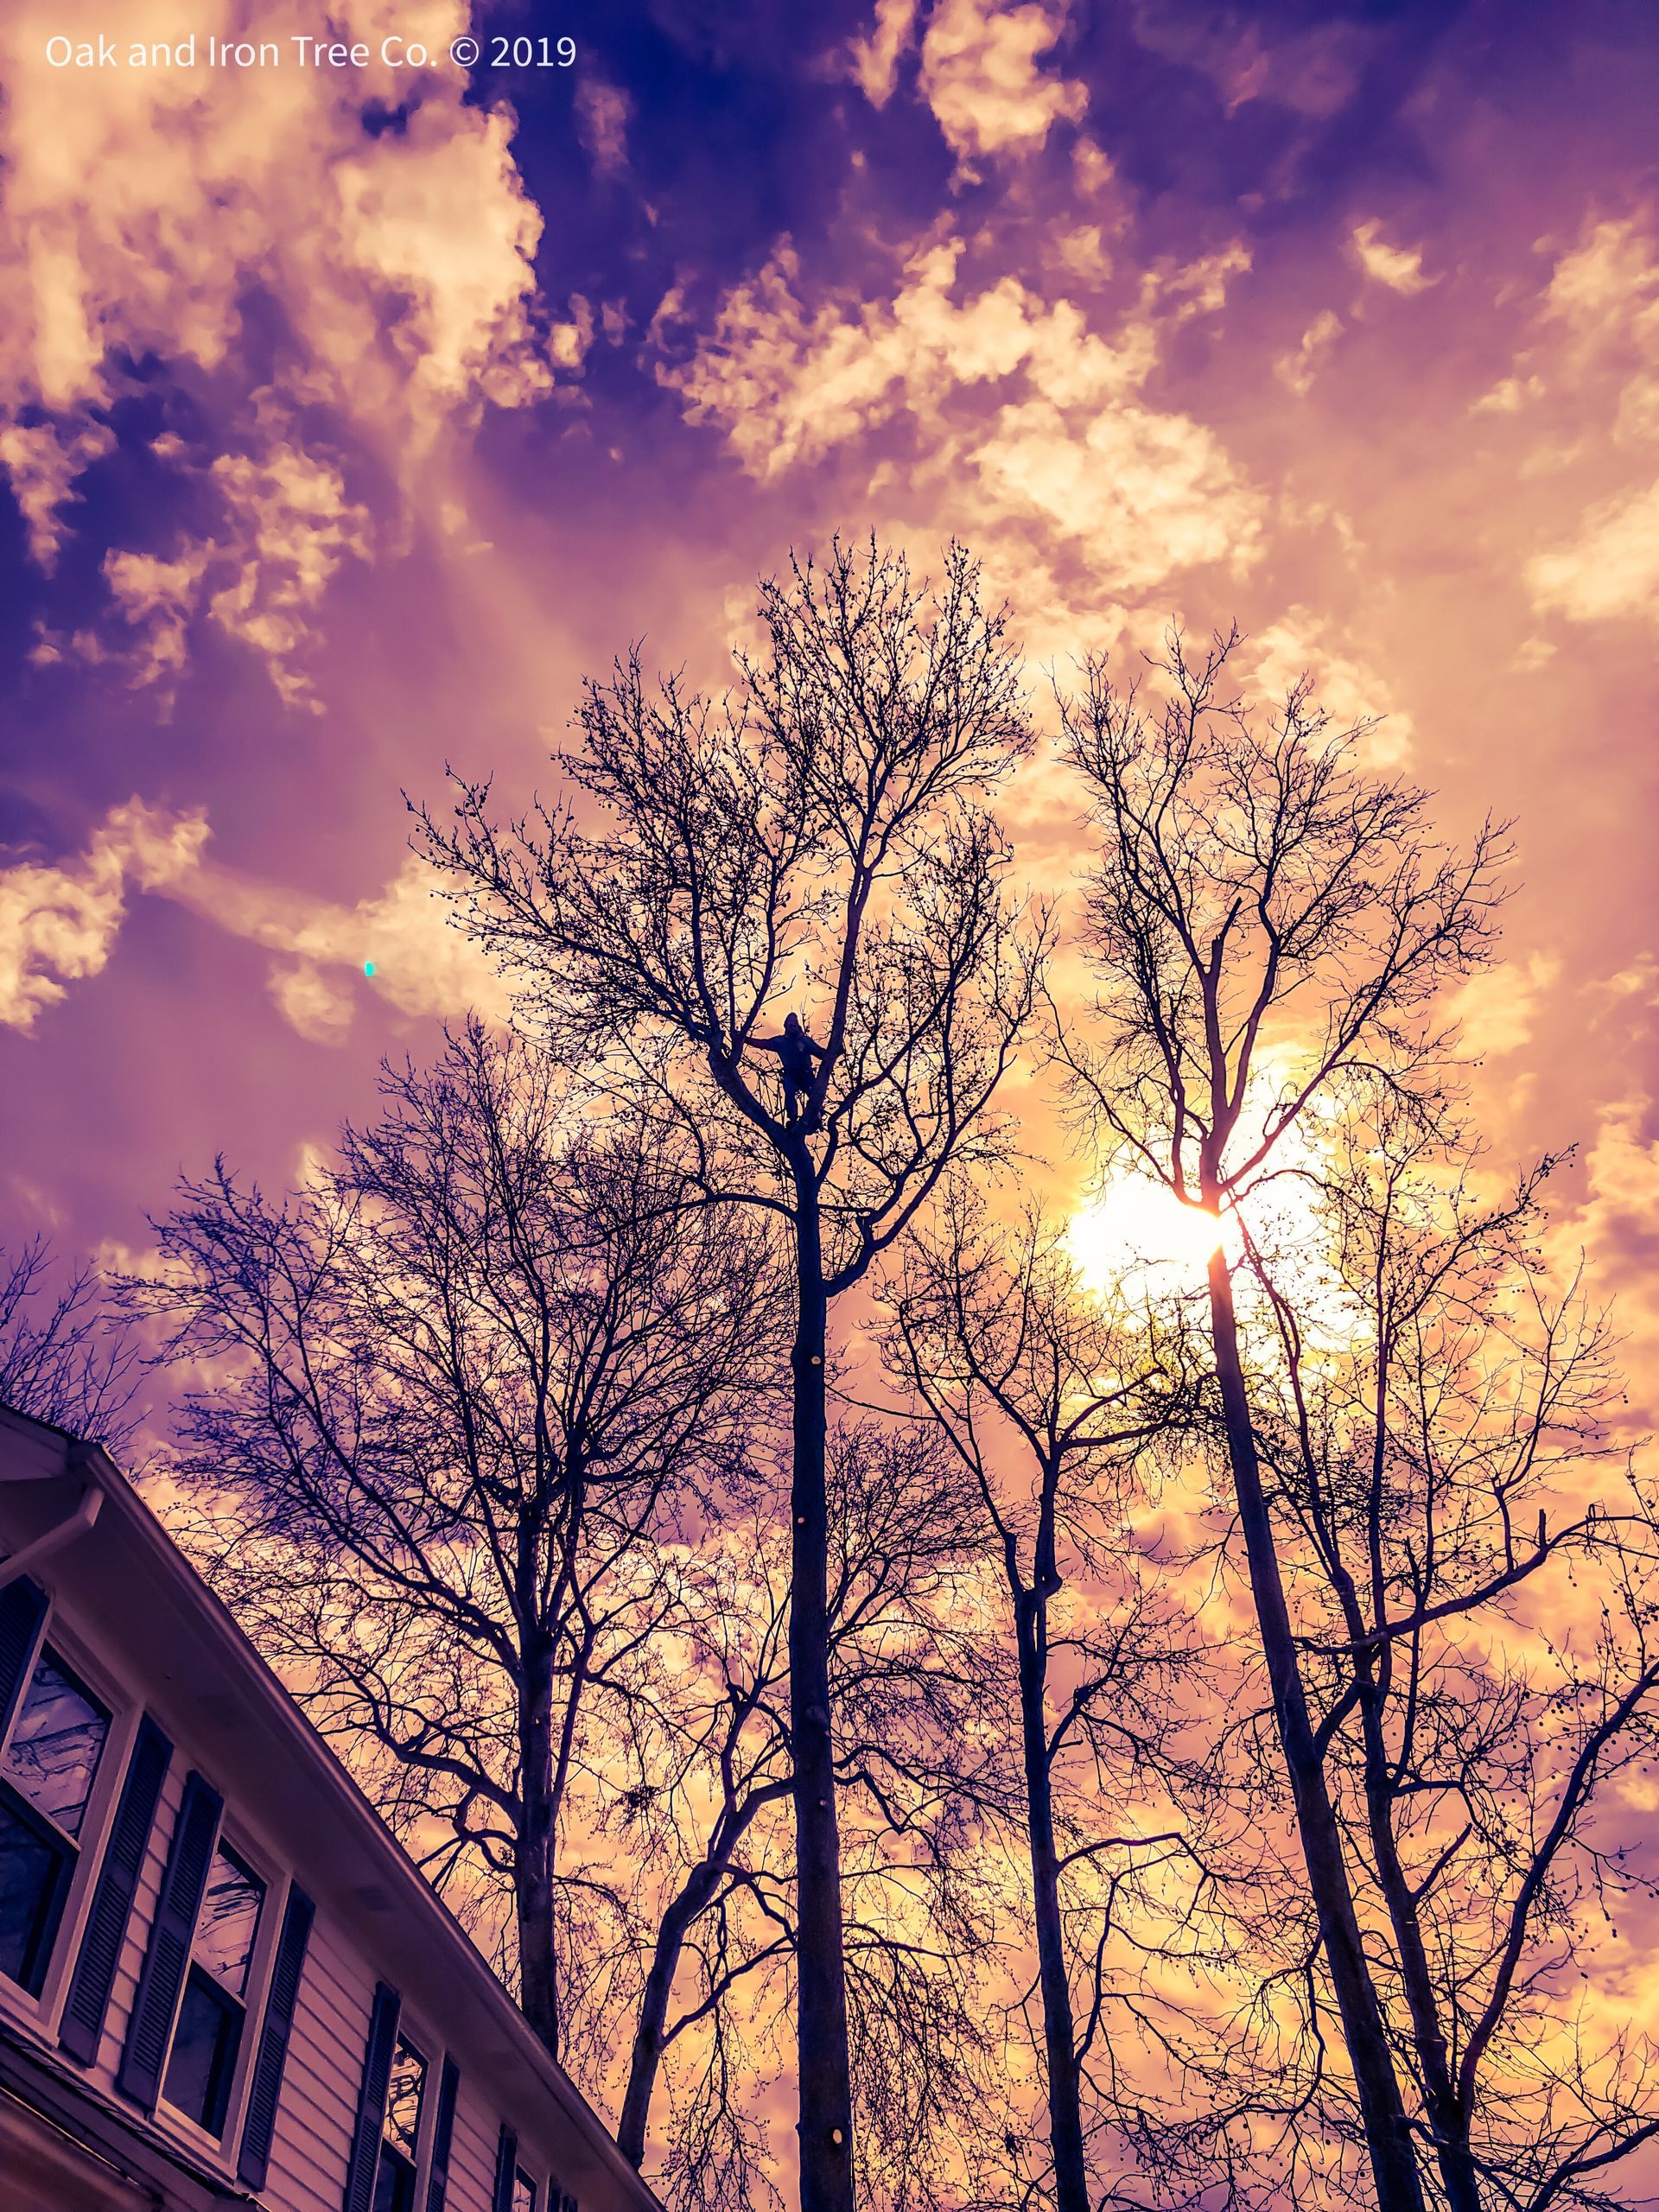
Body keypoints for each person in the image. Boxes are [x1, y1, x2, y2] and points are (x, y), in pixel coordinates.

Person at [752, 1011, 824, 1130]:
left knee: (813, 1094)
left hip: (806, 1074)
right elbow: (763, 1043)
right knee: (789, 1093)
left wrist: (834, 1052)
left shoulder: (804, 1041)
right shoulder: (780, 1042)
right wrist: (744, 1039)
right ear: (785, 1026)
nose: (792, 1027)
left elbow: (820, 1053)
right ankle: (793, 1119)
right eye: (790, 1025)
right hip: (790, 1074)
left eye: (794, 1024)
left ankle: (816, 1116)